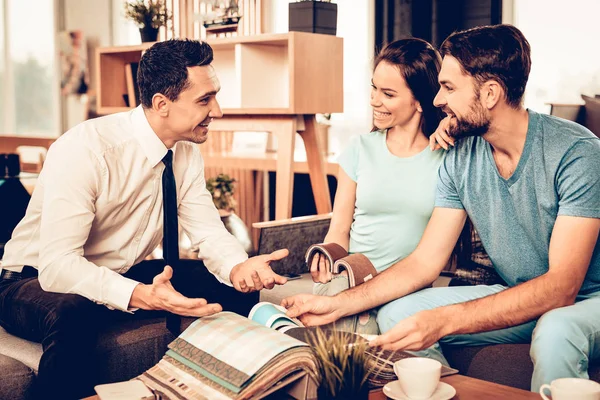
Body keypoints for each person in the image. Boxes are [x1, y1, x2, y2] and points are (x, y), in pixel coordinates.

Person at [283, 24, 600, 392]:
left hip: (586, 300)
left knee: (557, 328)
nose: (437, 100)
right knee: (399, 312)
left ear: (491, 93)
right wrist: (339, 304)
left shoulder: (576, 152)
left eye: (449, 87)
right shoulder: (459, 156)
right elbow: (424, 262)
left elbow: (561, 288)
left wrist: (444, 320)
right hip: (519, 291)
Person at [0, 39, 289, 399]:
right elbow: (58, 267)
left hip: (112, 275)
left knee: (225, 285)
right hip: (32, 282)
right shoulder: (86, 151)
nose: (218, 110)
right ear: (161, 104)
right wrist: (139, 294)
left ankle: (235, 387)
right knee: (73, 309)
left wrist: (238, 268)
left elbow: (207, 230)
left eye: (214, 96)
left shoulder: (185, 152)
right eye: (204, 99)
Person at [310, 38, 444, 333]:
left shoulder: (447, 158)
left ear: (420, 100)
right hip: (353, 275)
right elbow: (340, 227)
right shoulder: (360, 148)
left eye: (388, 93)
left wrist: (452, 125)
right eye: (373, 88)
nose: (374, 100)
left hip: (408, 288)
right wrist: (327, 253)